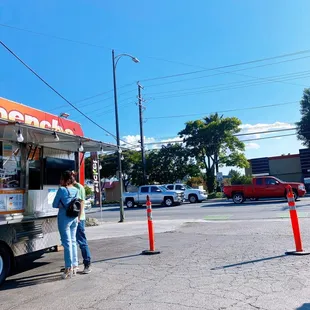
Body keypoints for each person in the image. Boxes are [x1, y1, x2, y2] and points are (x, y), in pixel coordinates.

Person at [53, 170, 79, 279]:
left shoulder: (61, 190)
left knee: (66, 243)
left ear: (63, 179)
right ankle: (75, 265)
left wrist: (63, 205)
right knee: (73, 241)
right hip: (74, 217)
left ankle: (68, 268)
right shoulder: (76, 190)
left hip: (64, 218)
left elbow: (54, 204)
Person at [72, 171, 92, 274]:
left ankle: (87, 263)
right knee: (72, 242)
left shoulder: (78, 187)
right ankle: (72, 264)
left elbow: (81, 202)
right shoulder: (69, 187)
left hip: (79, 218)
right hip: (72, 218)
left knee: (81, 241)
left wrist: (79, 217)